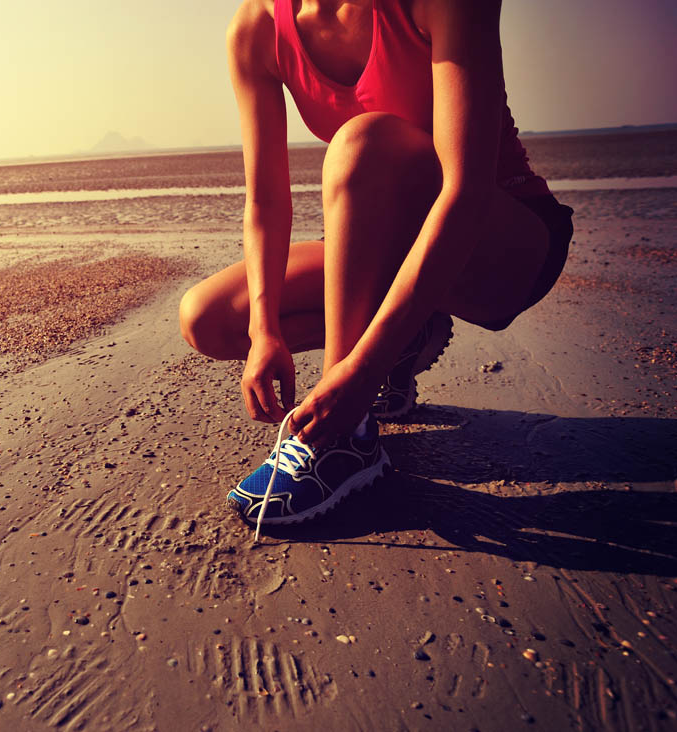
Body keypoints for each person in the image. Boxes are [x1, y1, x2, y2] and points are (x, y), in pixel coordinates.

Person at [178, 0, 573, 534]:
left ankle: (346, 442)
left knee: (362, 143)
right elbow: (266, 200)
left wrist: (360, 373)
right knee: (209, 317)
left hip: (503, 242)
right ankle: (411, 336)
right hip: (384, 244)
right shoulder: (257, 28)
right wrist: (264, 330)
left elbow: (465, 192)